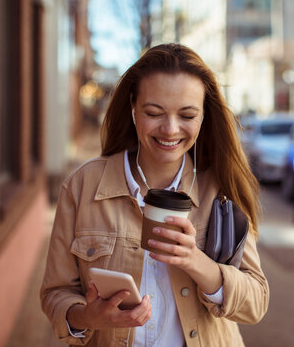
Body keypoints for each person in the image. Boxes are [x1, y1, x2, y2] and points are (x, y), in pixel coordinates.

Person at [40, 43, 269, 346]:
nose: (171, 129)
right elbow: (55, 293)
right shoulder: (82, 186)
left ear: (204, 116)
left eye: (187, 115)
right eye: (154, 112)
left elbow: (256, 304)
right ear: (133, 106)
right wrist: (88, 317)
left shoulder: (222, 189)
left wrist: (194, 261)